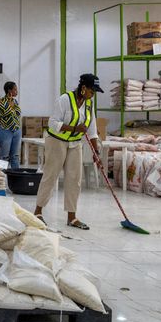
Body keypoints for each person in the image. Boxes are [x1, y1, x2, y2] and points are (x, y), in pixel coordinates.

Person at [34, 73, 103, 230]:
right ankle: (38, 212)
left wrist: (96, 152)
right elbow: (52, 123)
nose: (93, 95)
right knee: (51, 176)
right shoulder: (65, 100)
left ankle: (72, 217)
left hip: (75, 143)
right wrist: (73, 128)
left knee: (74, 179)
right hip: (56, 141)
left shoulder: (89, 104)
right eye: (92, 91)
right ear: (83, 88)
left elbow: (92, 130)